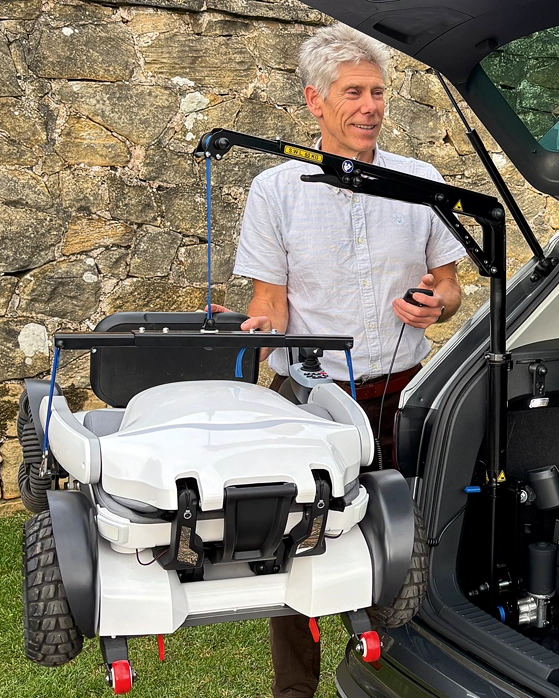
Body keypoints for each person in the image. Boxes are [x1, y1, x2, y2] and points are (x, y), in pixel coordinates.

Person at [212, 23, 466, 698]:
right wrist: (254, 329)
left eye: (378, 91)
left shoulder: (421, 181)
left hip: (401, 392)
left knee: (398, 542)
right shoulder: (277, 188)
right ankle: (295, 690)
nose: (370, 105)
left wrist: (436, 302)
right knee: (294, 541)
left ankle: (393, 668)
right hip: (310, 398)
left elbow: (452, 287)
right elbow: (270, 302)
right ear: (315, 101)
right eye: (354, 92)